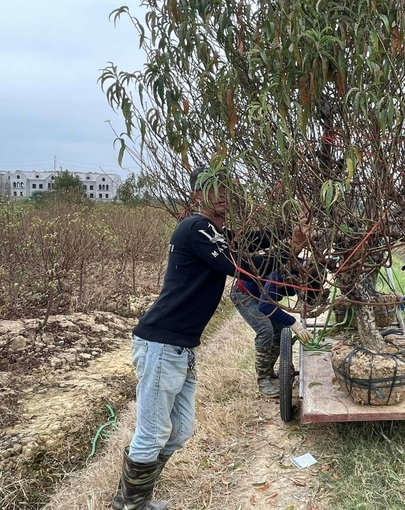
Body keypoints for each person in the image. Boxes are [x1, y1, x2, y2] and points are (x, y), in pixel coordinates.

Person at [111, 166, 301, 510]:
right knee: (152, 432)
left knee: (180, 431)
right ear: (197, 195)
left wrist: (290, 229)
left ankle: (134, 497)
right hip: (162, 343)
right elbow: (242, 264)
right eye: (216, 189)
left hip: (182, 346)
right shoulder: (195, 228)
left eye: (228, 189)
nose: (225, 196)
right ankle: (131, 505)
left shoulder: (214, 233)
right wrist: (291, 247)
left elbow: (248, 242)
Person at [231, 263, 320, 397]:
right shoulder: (278, 275)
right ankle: (263, 380)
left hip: (260, 296)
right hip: (244, 295)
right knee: (265, 330)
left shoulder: (307, 270)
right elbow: (265, 307)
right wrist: (293, 323)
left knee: (281, 330)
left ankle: (268, 370)